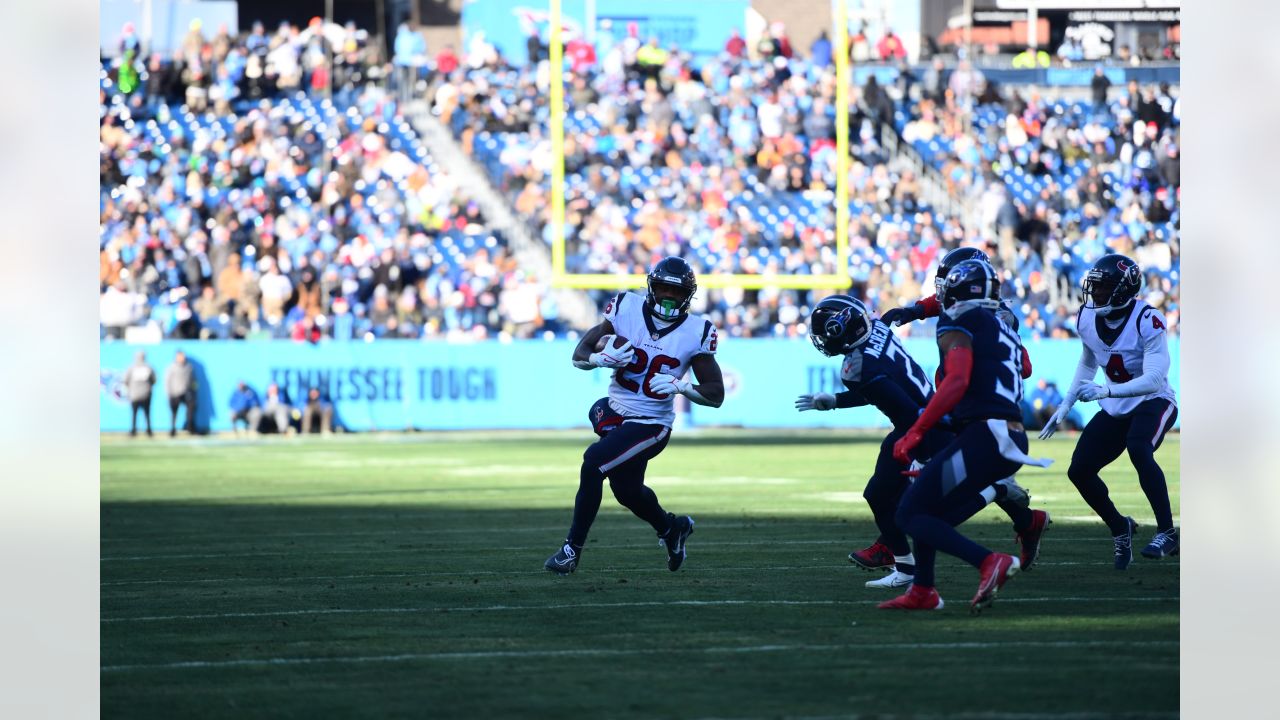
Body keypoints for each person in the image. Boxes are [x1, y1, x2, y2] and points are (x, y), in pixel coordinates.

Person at [798, 296, 1046, 591]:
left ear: (840, 329)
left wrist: (921, 446)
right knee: (879, 494)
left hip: (923, 427)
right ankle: (905, 567)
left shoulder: (855, 367)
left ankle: (999, 492)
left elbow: (898, 404)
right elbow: (883, 386)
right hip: (918, 421)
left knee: (929, 513)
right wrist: (836, 401)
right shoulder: (880, 326)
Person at [883, 260, 1053, 612]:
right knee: (925, 506)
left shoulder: (959, 317)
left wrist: (916, 432)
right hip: (1004, 434)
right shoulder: (1001, 325)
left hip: (986, 436)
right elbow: (1019, 368)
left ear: (961, 291)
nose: (941, 294)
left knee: (908, 513)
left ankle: (989, 561)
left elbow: (958, 381)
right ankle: (923, 590)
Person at [545, 257, 725, 575]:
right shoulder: (626, 307)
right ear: (650, 288)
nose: (669, 297)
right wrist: (599, 358)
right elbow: (579, 354)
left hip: (651, 423)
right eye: (663, 289)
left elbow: (716, 394)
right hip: (615, 411)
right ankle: (672, 528)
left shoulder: (696, 331)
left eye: (677, 292)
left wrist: (682, 386)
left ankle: (571, 550)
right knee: (627, 490)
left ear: (689, 296)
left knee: (593, 462)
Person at [1039, 254, 1179, 568]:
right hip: (1116, 405)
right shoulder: (1087, 317)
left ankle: (1167, 532)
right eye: (1095, 288)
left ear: (1122, 290)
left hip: (1154, 401)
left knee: (1138, 447)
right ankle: (1120, 527)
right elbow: (1088, 361)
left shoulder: (1147, 319)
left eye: (1102, 289)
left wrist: (1107, 390)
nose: (1095, 295)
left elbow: (1154, 378)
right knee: (1079, 470)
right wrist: (1067, 402)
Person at [123, 351, 156, 437]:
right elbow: (154, 380)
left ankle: (133, 430)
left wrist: (131, 388)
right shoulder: (148, 367)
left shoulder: (131, 367)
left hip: (134, 394)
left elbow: (125, 380)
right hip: (146, 394)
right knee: (147, 413)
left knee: (134, 414)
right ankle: (148, 430)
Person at [164, 351, 197, 436]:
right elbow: (167, 381)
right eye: (180, 356)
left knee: (191, 409)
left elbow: (193, 380)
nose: (182, 358)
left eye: (183, 356)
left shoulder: (189, 367)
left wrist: (194, 391)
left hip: (186, 392)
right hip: (175, 393)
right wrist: (169, 393)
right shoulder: (172, 367)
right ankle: (172, 429)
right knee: (174, 412)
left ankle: (190, 428)